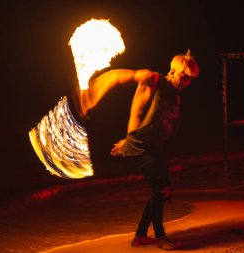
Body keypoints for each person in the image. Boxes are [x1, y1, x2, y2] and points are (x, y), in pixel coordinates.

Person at [78, 50, 199, 250]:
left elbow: (165, 126)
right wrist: (92, 95)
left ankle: (140, 236)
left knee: (161, 193)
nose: (186, 82)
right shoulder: (153, 79)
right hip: (141, 146)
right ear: (173, 71)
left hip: (156, 148)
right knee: (161, 189)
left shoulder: (175, 98)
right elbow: (117, 78)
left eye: (190, 80)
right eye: (184, 76)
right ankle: (161, 237)